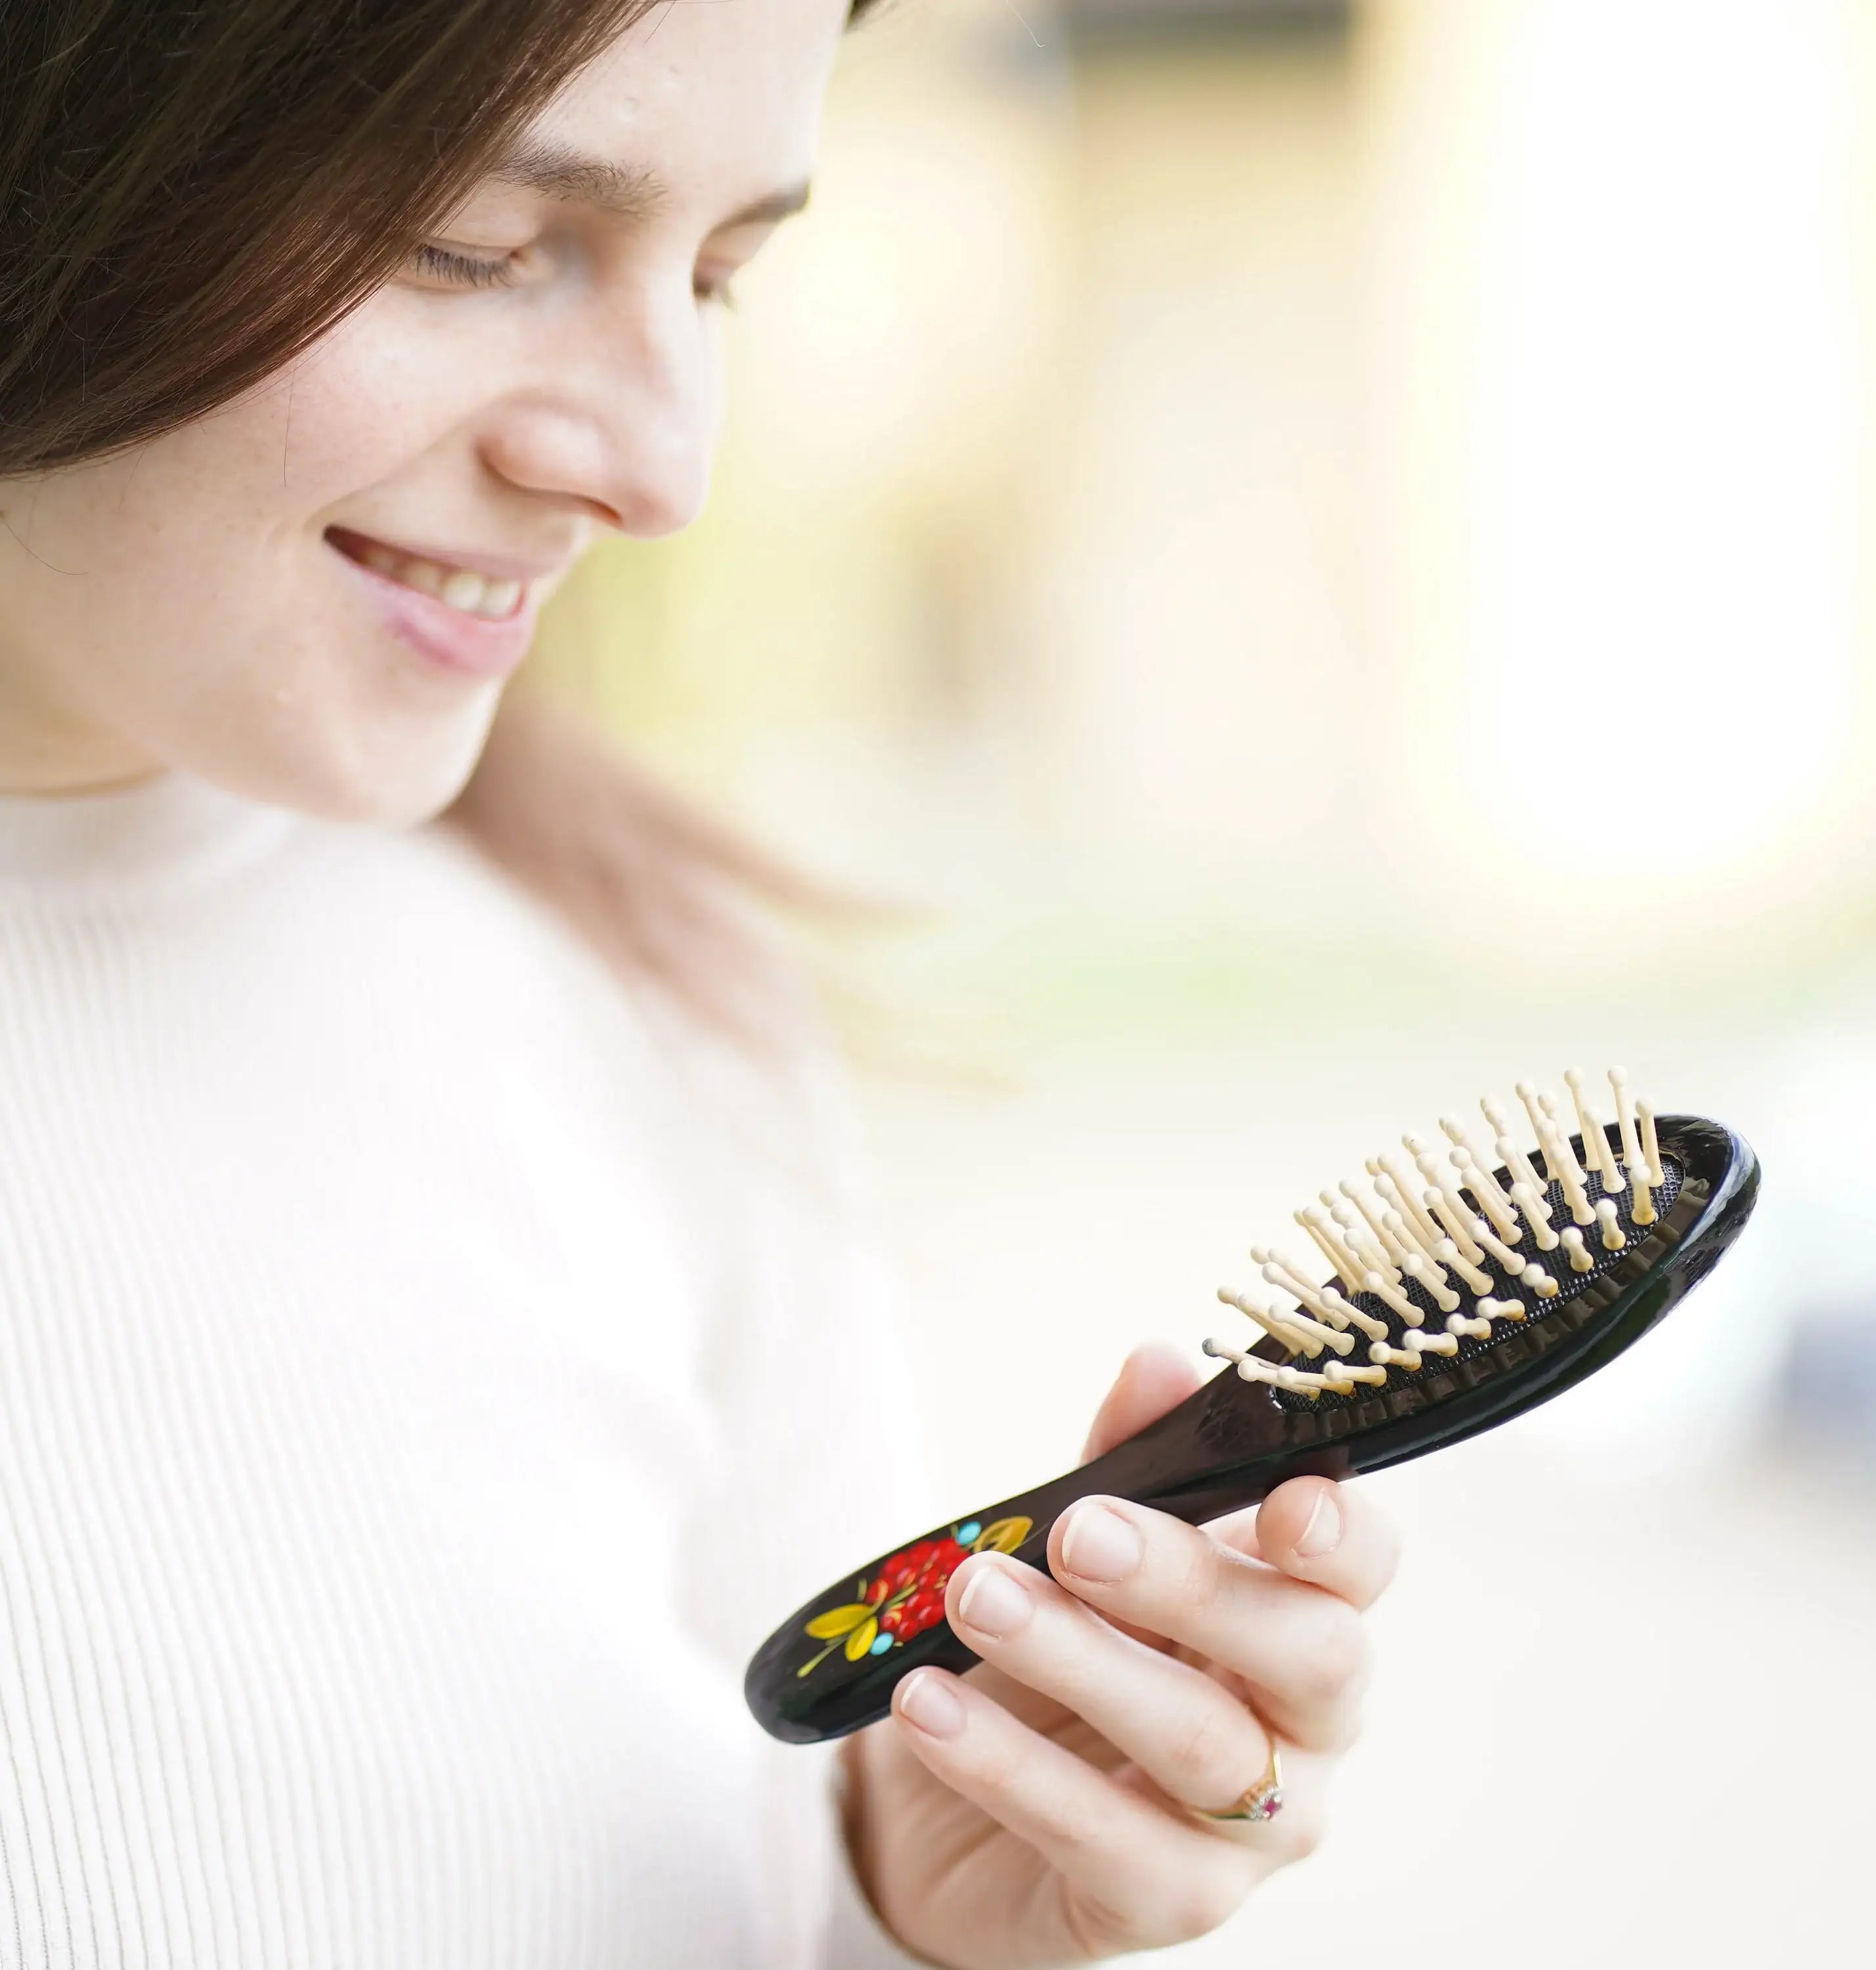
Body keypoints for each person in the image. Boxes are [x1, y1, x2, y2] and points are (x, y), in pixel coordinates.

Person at [0, 1, 1399, 1963]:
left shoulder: (646, 998)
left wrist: (887, 1904)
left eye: (725, 275)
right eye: (475, 242)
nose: (663, 469)